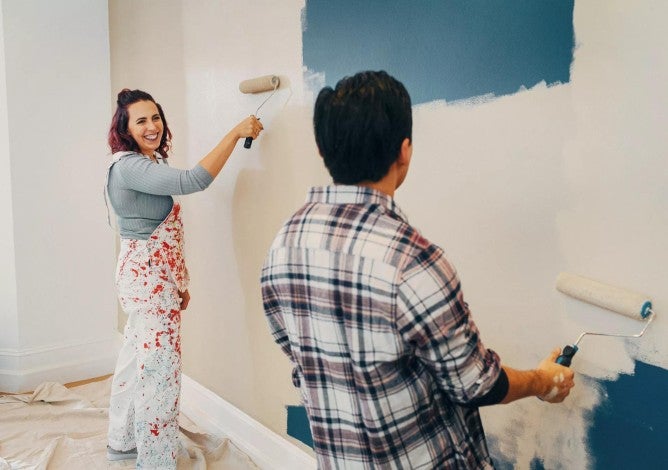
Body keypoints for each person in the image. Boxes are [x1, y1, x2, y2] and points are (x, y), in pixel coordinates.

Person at [260, 71, 574, 469]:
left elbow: (293, 346)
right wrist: (542, 381)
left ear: (323, 150)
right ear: (404, 151)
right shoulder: (413, 263)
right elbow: (475, 383)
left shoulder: (285, 241)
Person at [105, 88, 263, 468]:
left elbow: (167, 233)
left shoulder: (148, 162)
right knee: (159, 374)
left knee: (136, 362)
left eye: (155, 117)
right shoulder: (129, 166)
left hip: (153, 278)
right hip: (147, 280)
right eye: (141, 120)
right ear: (125, 127)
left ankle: (123, 442)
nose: (152, 126)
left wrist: (180, 283)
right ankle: (156, 461)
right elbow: (195, 180)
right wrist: (235, 132)